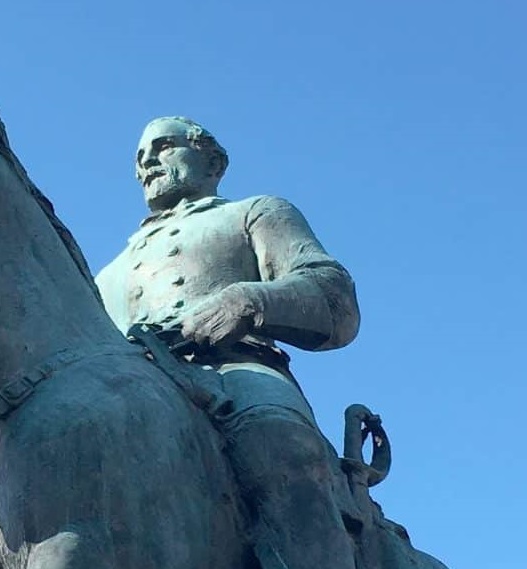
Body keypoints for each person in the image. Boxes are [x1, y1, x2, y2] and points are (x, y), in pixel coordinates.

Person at [96, 116, 361, 569]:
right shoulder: (107, 272)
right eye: (140, 158)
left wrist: (246, 300)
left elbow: (334, 296)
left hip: (234, 370)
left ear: (212, 159)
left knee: (283, 447)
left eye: (162, 147)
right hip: (131, 385)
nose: (147, 164)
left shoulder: (254, 212)